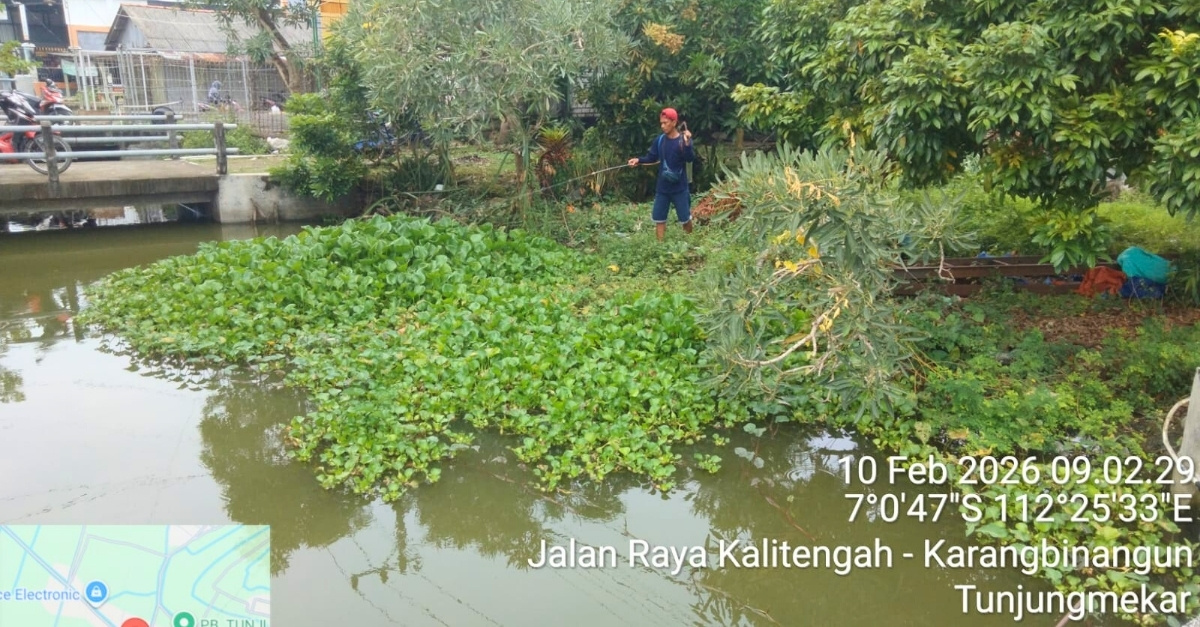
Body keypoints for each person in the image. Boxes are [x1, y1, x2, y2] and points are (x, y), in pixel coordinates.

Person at [627, 107, 694, 241]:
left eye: (665, 123)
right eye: (661, 123)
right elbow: (652, 157)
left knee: (685, 219)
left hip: (679, 187)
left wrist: (687, 143)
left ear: (674, 122)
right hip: (662, 188)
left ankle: (690, 242)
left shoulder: (683, 140)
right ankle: (659, 247)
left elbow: (690, 158)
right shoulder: (660, 140)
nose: (662, 126)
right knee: (659, 218)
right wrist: (638, 160)